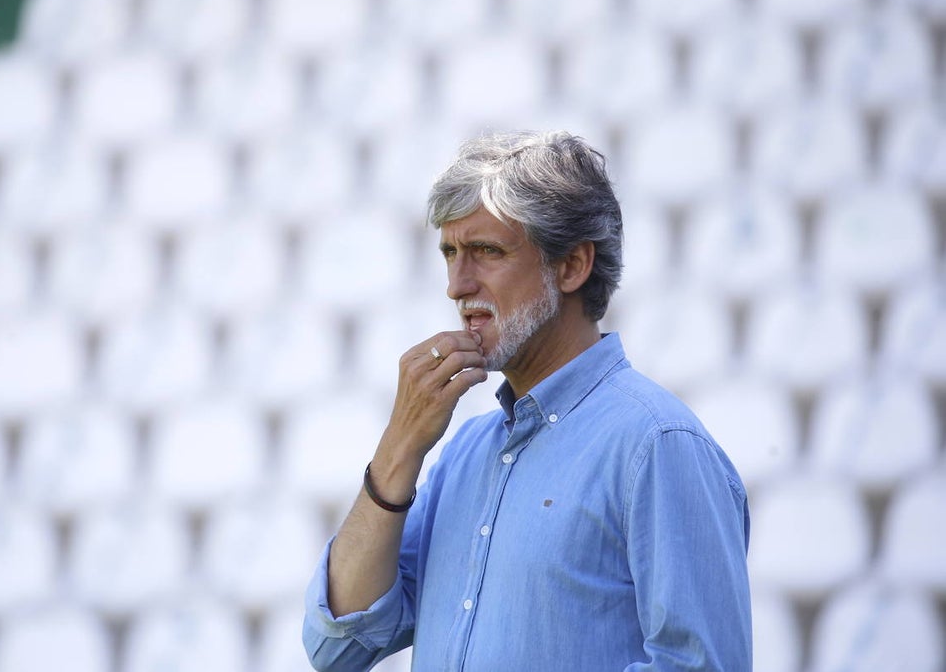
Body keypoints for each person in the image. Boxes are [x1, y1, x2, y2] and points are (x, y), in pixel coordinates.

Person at [302, 130, 752, 670]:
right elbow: (339, 646)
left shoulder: (658, 444)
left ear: (572, 266)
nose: (456, 285)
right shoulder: (464, 452)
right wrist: (399, 446)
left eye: (486, 251)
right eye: (450, 253)